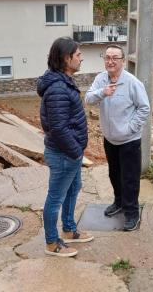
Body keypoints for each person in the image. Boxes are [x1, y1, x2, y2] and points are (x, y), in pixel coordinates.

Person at [37, 37, 93, 258]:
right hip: (64, 154)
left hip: (69, 153)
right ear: (66, 58)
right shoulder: (58, 88)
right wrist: (76, 151)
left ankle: (69, 229)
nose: (81, 58)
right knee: (55, 198)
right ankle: (52, 243)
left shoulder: (63, 81)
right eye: (78, 55)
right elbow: (58, 128)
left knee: (73, 188)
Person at [85, 45, 150, 231]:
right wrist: (102, 92)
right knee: (114, 174)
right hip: (110, 139)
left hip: (129, 140)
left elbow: (144, 108)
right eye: (107, 57)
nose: (110, 61)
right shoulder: (100, 79)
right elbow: (88, 99)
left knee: (130, 178)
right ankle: (119, 202)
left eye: (115, 58)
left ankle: (132, 212)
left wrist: (130, 128)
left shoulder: (132, 82)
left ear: (122, 61)